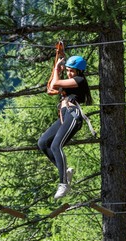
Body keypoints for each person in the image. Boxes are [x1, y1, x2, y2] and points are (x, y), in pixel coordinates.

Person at [38, 55, 93, 199]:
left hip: (73, 115)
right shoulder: (71, 80)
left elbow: (55, 83)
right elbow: (52, 86)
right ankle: (64, 171)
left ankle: (63, 184)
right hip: (64, 116)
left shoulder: (79, 80)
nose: (69, 73)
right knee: (43, 143)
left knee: (56, 145)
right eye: (68, 70)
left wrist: (57, 68)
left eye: (72, 71)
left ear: (79, 72)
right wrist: (58, 69)